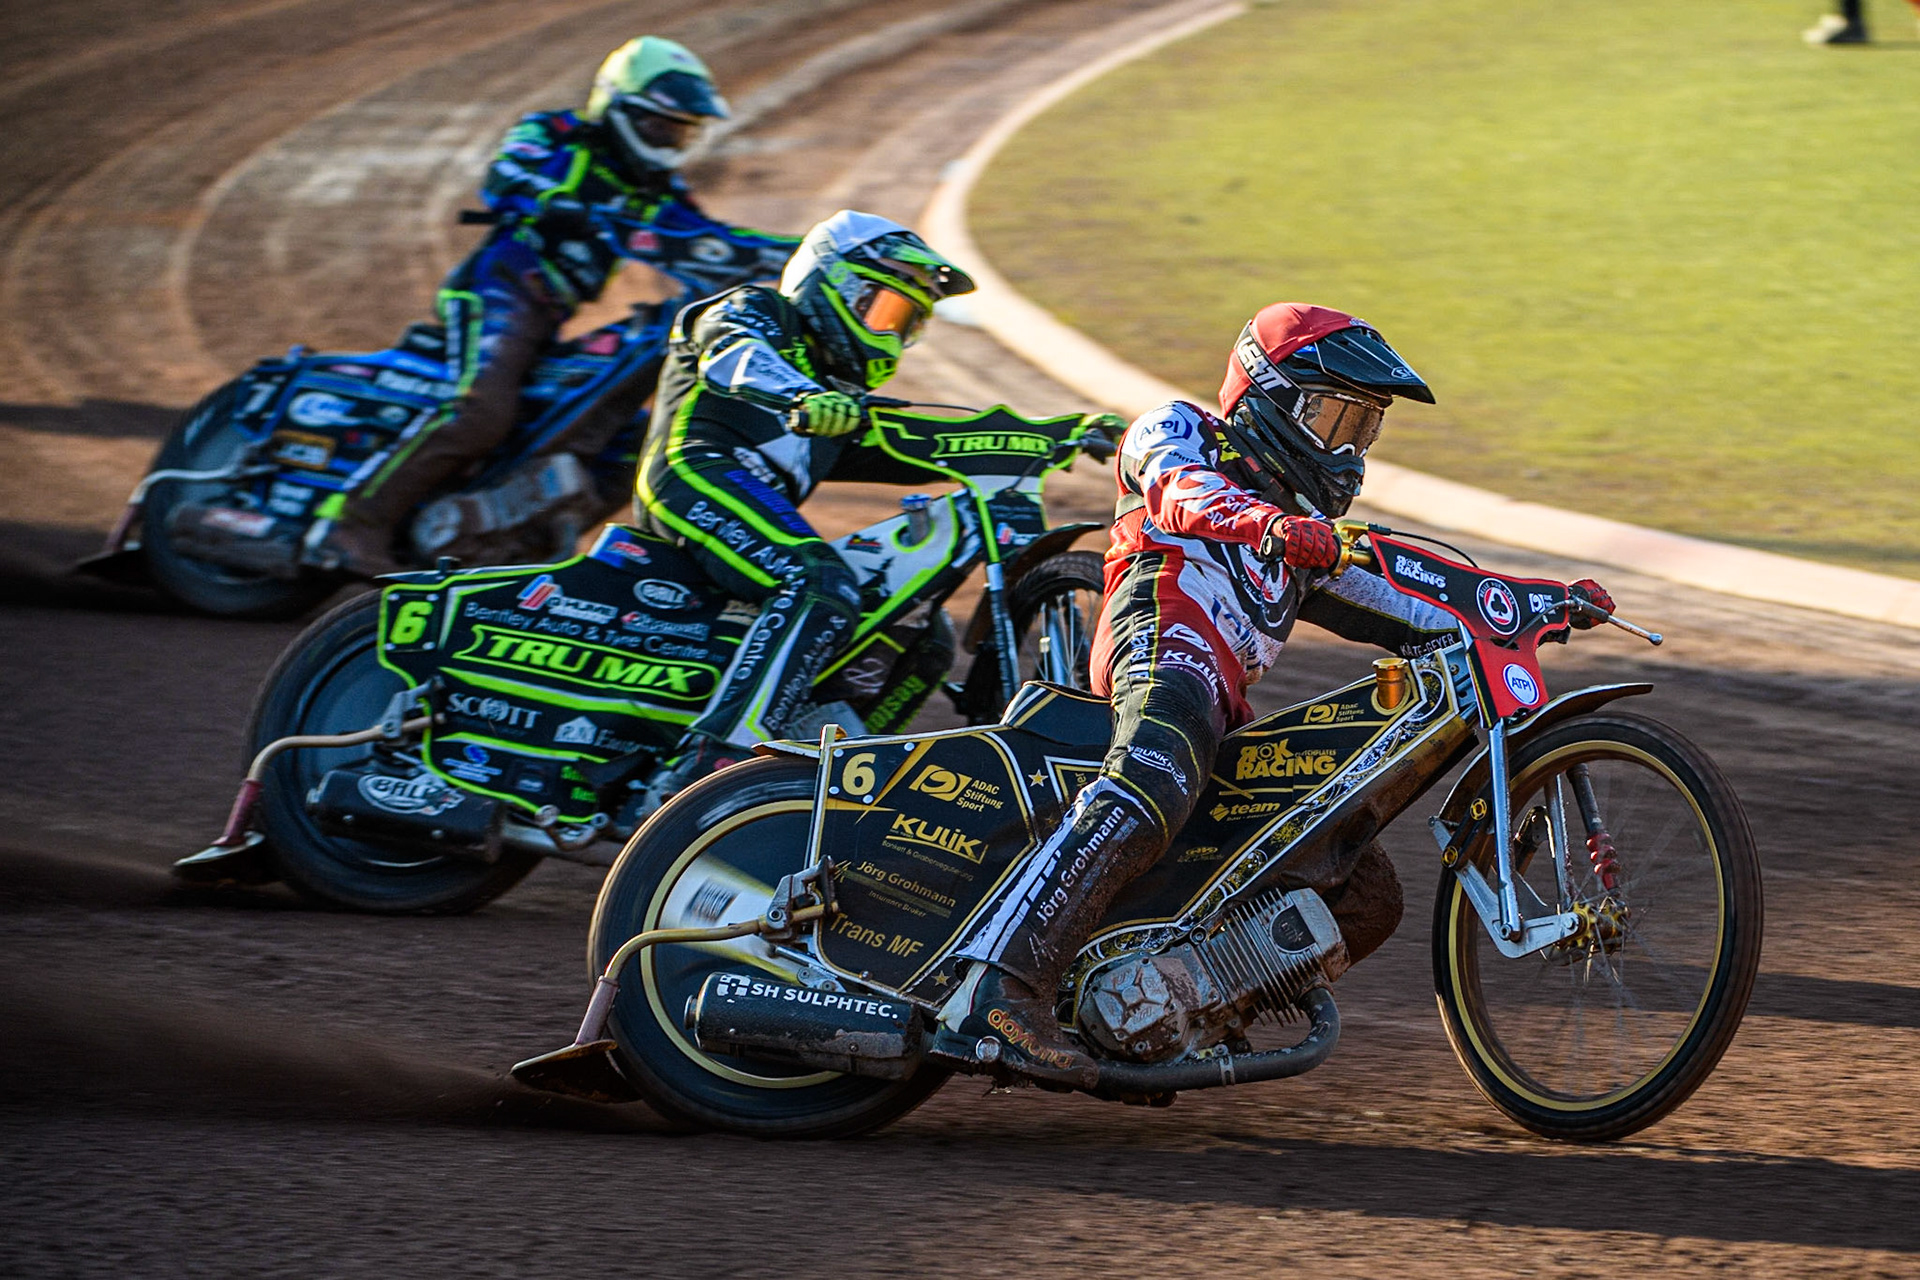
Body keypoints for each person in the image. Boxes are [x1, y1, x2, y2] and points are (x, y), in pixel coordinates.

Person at [940, 302, 1616, 1087]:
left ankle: (1171, 1001)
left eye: (1365, 428)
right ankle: (997, 987)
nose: (1351, 449)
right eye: (1335, 418)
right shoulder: (1182, 429)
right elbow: (1180, 491)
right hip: (1161, 641)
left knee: (1365, 892)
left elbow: (1429, 599)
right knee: (1158, 772)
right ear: (1268, 398)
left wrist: (1537, 600)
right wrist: (1270, 528)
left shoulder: (1308, 537)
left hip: (1224, 708)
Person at [631, 208, 1125, 800]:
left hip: (751, 506)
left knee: (929, 634)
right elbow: (735, 354)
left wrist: (1059, 433)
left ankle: (827, 782)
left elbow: (943, 437)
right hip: (688, 476)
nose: (893, 335)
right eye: (887, 311)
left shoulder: (843, 400)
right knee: (820, 582)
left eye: (908, 323)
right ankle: (715, 757)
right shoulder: (759, 313)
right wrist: (802, 394)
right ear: (835, 285)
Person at [320, 36, 797, 575]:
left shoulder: (657, 188)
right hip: (502, 288)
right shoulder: (556, 134)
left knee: (631, 442)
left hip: (550, 317)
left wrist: (801, 256)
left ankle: (511, 542)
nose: (671, 138)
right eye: (662, 124)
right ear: (620, 107)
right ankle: (353, 523)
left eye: (681, 128)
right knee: (484, 410)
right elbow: (507, 174)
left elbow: (712, 240)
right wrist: (554, 201)